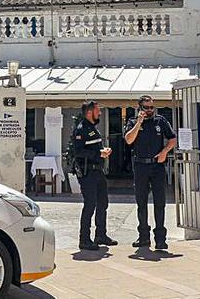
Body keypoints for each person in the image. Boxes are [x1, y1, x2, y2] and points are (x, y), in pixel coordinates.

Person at [123, 94, 177, 250]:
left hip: (157, 166)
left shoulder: (160, 121)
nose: (150, 110)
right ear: (140, 108)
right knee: (141, 203)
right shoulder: (133, 122)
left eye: (152, 107)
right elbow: (128, 140)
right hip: (140, 166)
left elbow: (172, 139)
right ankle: (143, 237)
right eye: (146, 107)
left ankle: (160, 239)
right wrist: (139, 122)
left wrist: (165, 152)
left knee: (160, 202)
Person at [69, 100, 116, 250]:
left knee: (103, 202)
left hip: (98, 171)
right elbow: (79, 152)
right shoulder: (81, 129)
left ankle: (101, 235)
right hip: (87, 172)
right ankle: (84, 239)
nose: (100, 113)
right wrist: (98, 153)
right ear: (89, 112)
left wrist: (103, 151)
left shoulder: (92, 128)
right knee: (90, 205)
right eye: (98, 110)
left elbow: (94, 147)